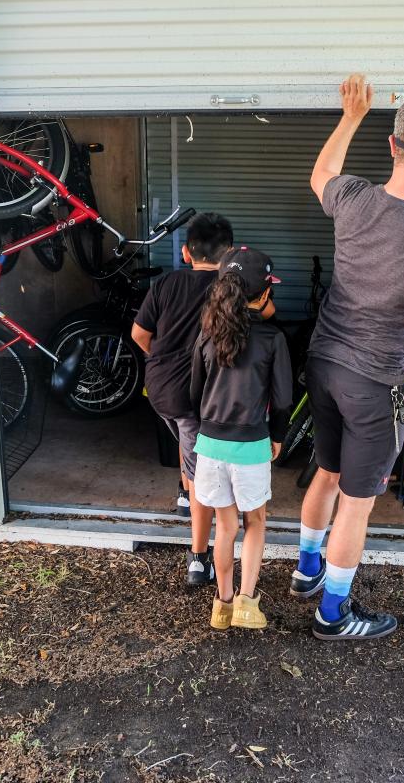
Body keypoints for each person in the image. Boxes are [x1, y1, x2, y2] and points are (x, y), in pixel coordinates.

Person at [292, 74, 404, 640]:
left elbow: (320, 175)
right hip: (374, 386)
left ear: (393, 145)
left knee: (326, 469)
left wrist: (351, 117)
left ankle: (308, 569)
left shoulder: (354, 197)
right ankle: (333, 614)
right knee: (357, 504)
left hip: (323, 363)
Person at [189, 248, 292, 630]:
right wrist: (277, 437)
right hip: (251, 447)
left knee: (225, 527)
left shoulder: (206, 335)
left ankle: (222, 605)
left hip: (211, 448)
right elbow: (282, 400)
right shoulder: (272, 339)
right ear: (263, 294)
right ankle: (248, 604)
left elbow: (194, 395)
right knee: (257, 522)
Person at [131, 213, 233, 586]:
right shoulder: (227, 287)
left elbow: (139, 333)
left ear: (187, 252)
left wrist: (160, 361)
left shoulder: (165, 284)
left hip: (158, 389)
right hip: (195, 395)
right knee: (202, 472)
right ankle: (198, 557)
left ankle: (183, 492)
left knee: (184, 438)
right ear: (228, 254)